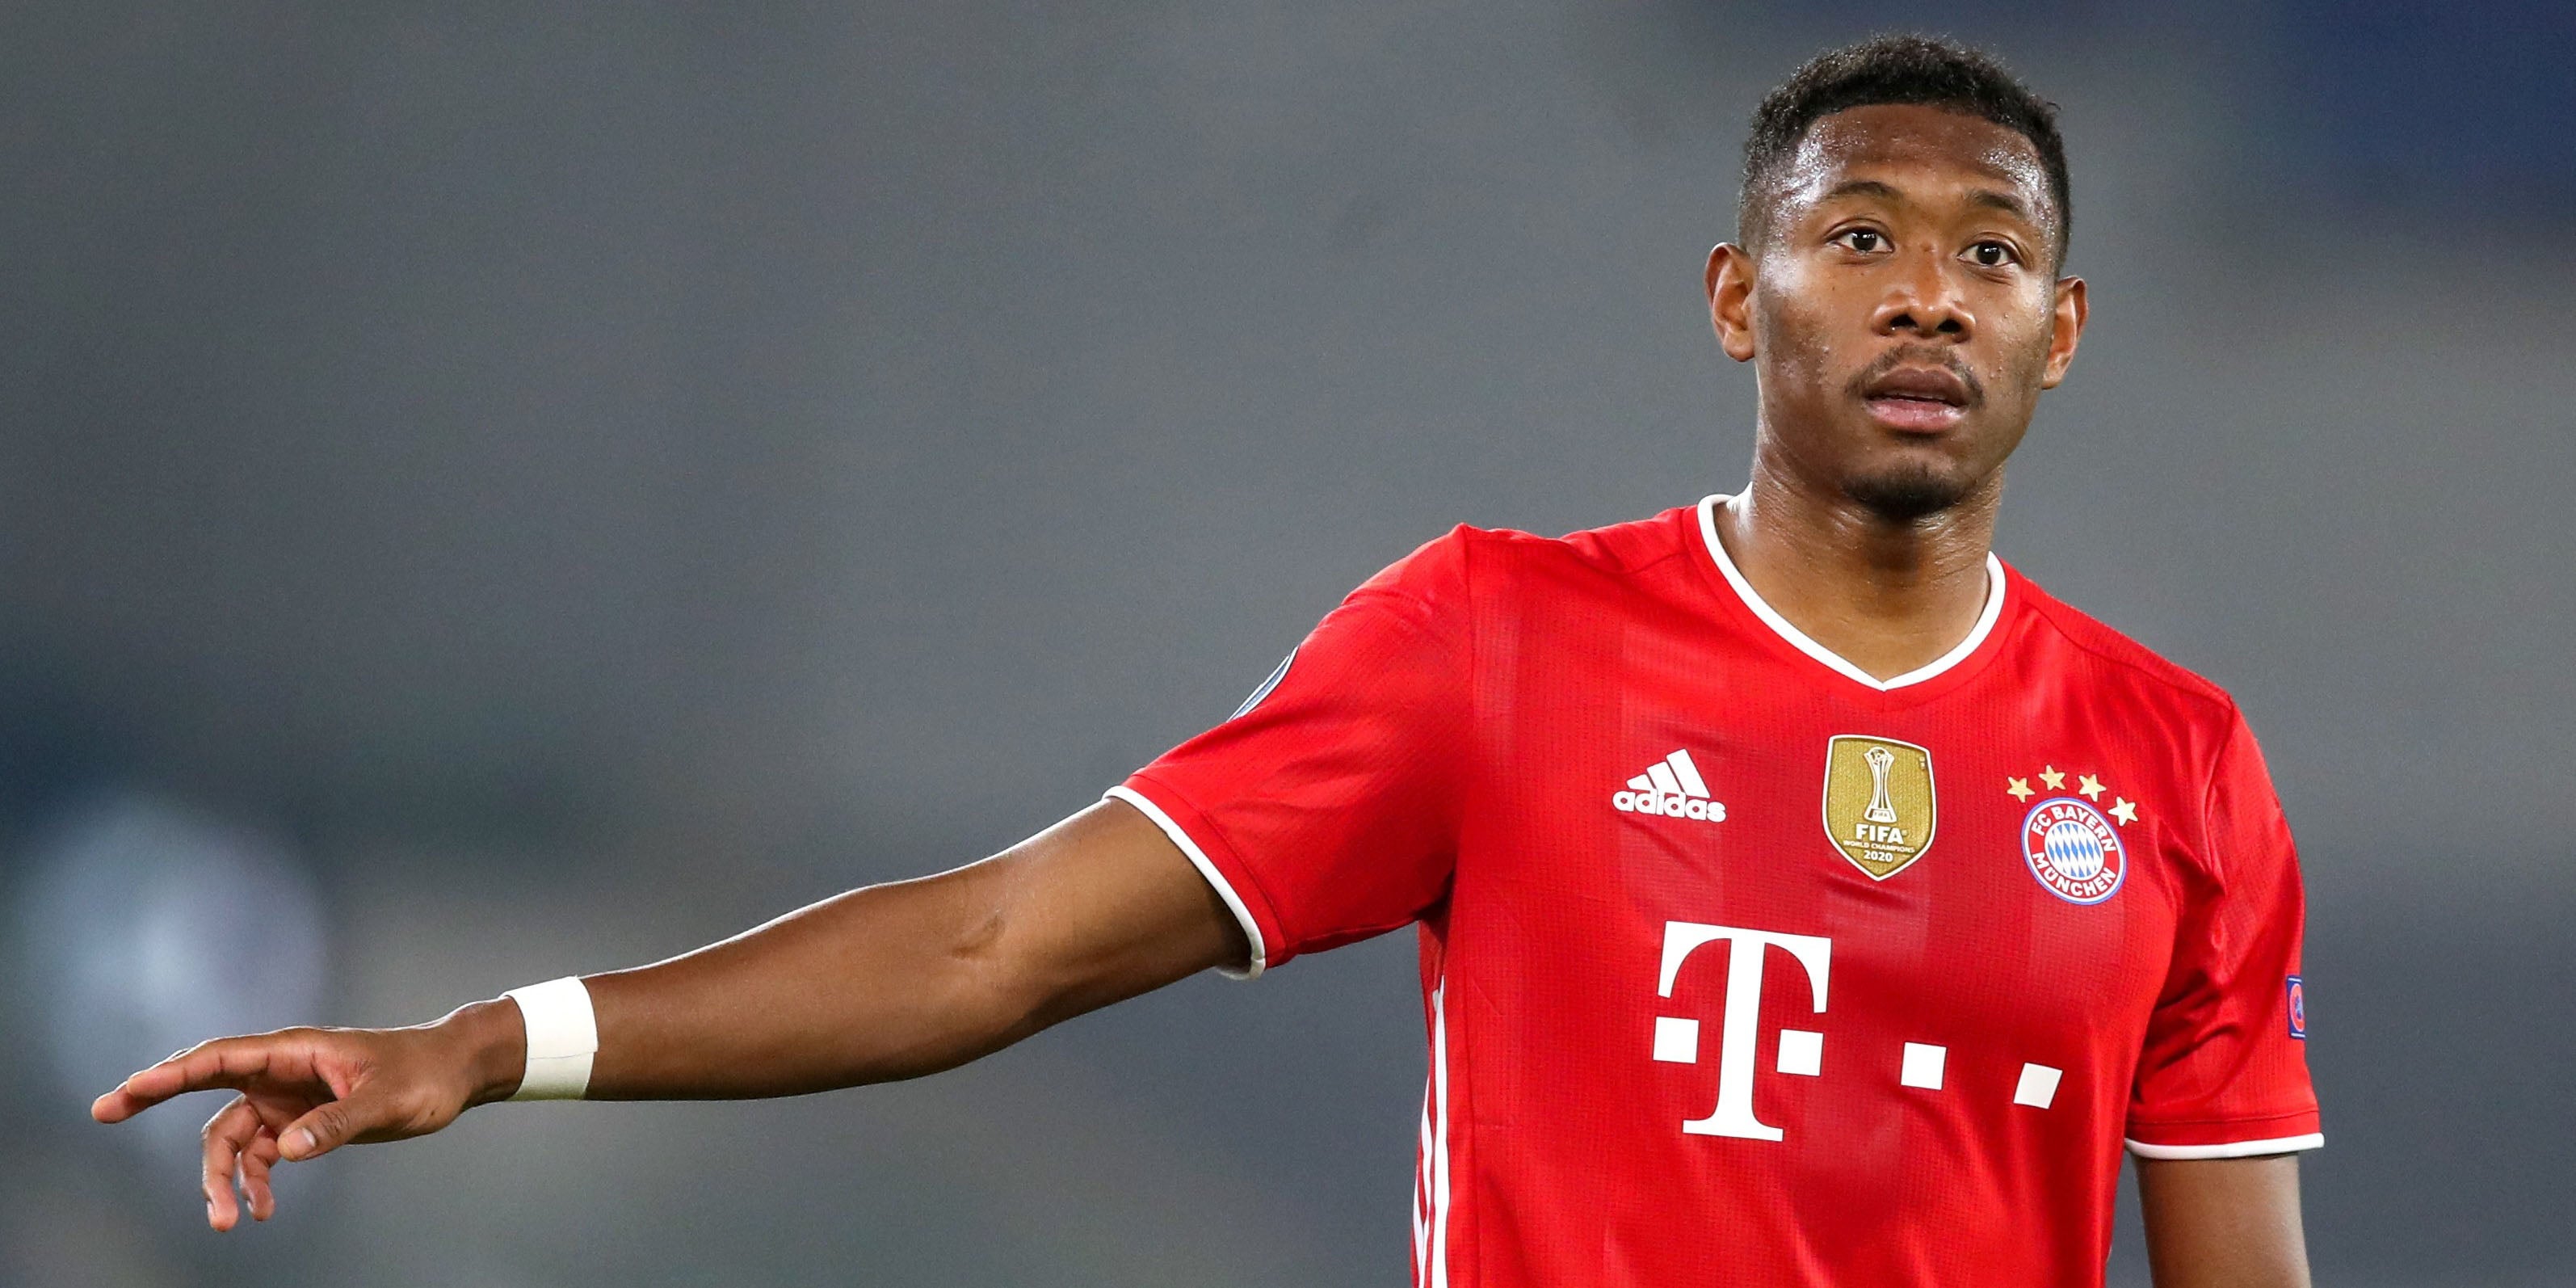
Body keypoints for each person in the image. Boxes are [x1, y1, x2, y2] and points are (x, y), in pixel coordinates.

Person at [95, 34, 2318, 1287]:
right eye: (1859, 236)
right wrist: (494, 1041)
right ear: (1740, 298)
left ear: (2061, 331)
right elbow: (996, 945)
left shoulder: (2176, 765)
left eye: (1989, 254)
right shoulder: (1502, 644)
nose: (1926, 295)